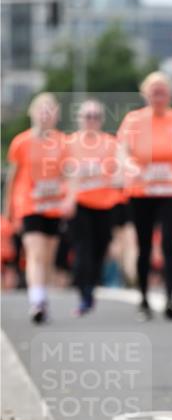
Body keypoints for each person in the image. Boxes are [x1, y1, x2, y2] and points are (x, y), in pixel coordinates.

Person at [117, 72, 172, 320]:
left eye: (162, 91)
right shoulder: (133, 120)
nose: (158, 95)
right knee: (144, 246)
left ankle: (170, 299)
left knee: (168, 244)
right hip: (141, 192)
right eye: (154, 90)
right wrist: (127, 165)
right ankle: (143, 298)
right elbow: (121, 149)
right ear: (145, 94)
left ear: (170, 94)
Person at [4, 93, 69, 323]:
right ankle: (36, 300)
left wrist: (69, 198)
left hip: (54, 206)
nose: (45, 114)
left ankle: (41, 295)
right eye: (41, 109)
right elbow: (13, 178)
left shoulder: (63, 142)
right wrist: (9, 209)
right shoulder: (21, 142)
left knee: (48, 256)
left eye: (50, 110)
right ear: (32, 113)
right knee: (35, 252)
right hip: (28, 204)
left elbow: (68, 175)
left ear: (56, 116)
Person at [63, 99, 123, 315]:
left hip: (104, 204)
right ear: (80, 119)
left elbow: (120, 170)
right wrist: (67, 197)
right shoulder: (68, 143)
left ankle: (91, 285)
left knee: (100, 248)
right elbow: (63, 173)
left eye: (96, 116)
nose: (91, 120)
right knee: (82, 250)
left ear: (101, 120)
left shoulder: (110, 143)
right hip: (79, 204)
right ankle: (84, 292)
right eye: (87, 116)